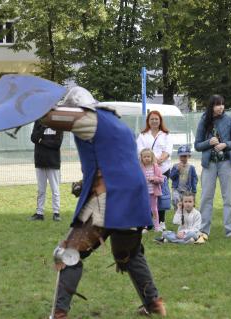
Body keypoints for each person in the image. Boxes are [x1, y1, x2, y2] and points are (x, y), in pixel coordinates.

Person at [40, 87, 166, 318]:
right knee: (130, 253)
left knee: (68, 254)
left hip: (107, 198)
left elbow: (50, 117)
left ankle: (58, 314)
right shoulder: (117, 122)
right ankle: (154, 304)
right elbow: (114, 160)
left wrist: (27, 106)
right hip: (133, 198)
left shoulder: (89, 117)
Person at [194, 94, 231, 240]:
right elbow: (197, 145)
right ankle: (203, 230)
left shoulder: (230, 120)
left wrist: (225, 144)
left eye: (222, 104)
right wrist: (209, 142)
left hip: (227, 163)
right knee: (206, 197)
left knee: (229, 198)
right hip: (209, 164)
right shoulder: (204, 120)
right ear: (211, 106)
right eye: (217, 104)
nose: (221, 107)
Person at [136, 110, 173, 231]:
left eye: (156, 119)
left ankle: (161, 222)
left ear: (160, 120)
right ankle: (148, 223)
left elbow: (168, 149)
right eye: (152, 119)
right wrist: (153, 160)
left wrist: (161, 159)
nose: (154, 121)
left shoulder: (165, 134)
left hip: (163, 169)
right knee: (147, 197)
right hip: (147, 169)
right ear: (148, 121)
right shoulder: (143, 135)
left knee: (162, 197)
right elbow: (140, 150)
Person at [29, 120, 63, 221]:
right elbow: (33, 138)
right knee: (41, 190)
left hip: (53, 162)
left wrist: (41, 141)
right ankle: (40, 213)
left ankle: (56, 213)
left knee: (55, 190)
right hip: (40, 161)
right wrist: (42, 129)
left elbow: (57, 144)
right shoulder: (39, 122)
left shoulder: (58, 124)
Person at [140, 148, 164, 231]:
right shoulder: (140, 168)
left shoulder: (156, 167)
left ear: (152, 157)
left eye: (148, 156)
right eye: (145, 157)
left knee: (154, 209)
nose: (146, 158)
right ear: (141, 158)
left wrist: (153, 179)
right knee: (145, 209)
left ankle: (156, 226)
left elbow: (161, 179)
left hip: (153, 193)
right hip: (143, 193)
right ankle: (145, 226)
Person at [169, 145, 198, 211]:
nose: (183, 158)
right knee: (176, 200)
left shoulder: (191, 167)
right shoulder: (175, 166)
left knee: (186, 205)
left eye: (185, 156)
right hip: (176, 189)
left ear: (189, 156)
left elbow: (194, 179)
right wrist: (177, 170)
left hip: (186, 190)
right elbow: (171, 177)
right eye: (181, 156)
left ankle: (185, 218)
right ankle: (178, 215)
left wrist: (194, 190)